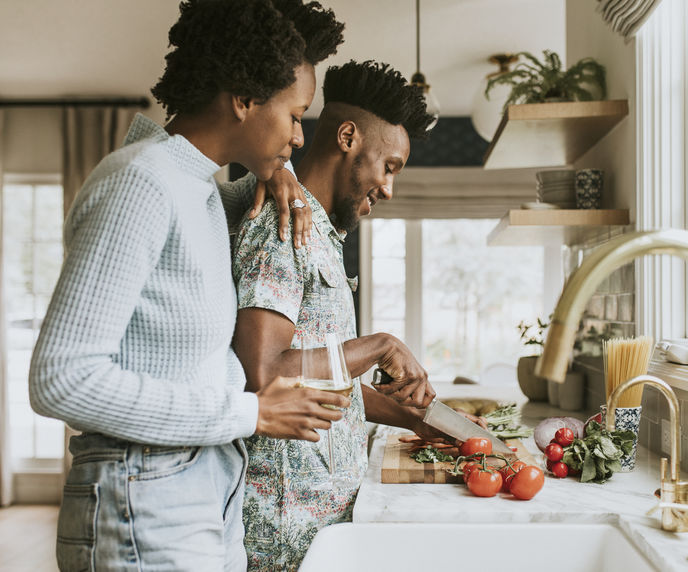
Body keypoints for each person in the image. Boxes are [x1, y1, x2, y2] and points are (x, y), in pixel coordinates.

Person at [28, 1, 347, 570]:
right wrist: (248, 414)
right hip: (143, 491)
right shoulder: (141, 183)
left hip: (201, 485)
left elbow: (247, 195)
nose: (299, 136)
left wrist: (280, 177)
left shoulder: (195, 189)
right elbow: (61, 379)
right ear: (243, 99)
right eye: (296, 115)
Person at [231, 60, 444, 571]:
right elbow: (259, 375)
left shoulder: (322, 234)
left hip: (324, 527)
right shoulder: (284, 223)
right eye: (388, 167)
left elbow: (321, 382)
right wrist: (380, 345)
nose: (389, 189)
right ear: (347, 136)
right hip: (286, 538)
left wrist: (422, 421)